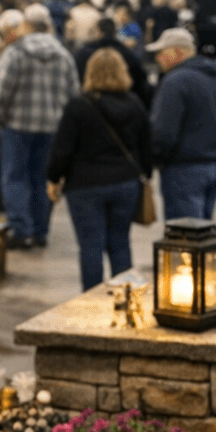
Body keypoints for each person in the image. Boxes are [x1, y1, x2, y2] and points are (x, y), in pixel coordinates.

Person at [47, 49, 152, 290]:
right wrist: (146, 173)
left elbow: (63, 149)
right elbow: (146, 145)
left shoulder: (78, 107)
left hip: (85, 185)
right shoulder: (135, 104)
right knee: (120, 243)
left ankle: (91, 302)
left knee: (90, 244)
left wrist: (54, 178)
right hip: (125, 183)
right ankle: (126, 297)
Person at [0, 5, 79, 249]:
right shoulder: (63, 55)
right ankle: (40, 230)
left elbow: (3, 90)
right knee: (42, 179)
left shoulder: (16, 53)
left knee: (15, 177)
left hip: (17, 125)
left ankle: (21, 230)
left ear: (26, 25)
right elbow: (74, 95)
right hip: (52, 127)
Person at [148, 27, 216, 220]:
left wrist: (157, 160)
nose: (158, 58)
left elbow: (163, 133)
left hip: (183, 168)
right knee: (205, 231)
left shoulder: (175, 82)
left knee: (185, 235)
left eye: (161, 52)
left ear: (177, 52)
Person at [75, 17, 154, 111]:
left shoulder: (84, 54)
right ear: (114, 32)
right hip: (124, 108)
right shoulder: (128, 54)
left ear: (98, 32)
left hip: (90, 106)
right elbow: (140, 83)